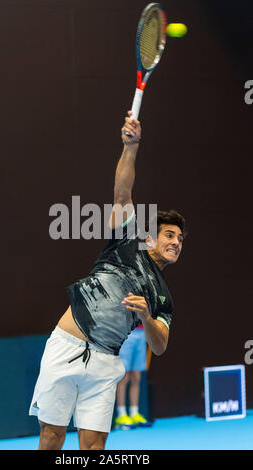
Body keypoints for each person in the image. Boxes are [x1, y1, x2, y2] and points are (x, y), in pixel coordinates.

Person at [29, 111, 186, 450]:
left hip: (105, 360)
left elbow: (159, 346)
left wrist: (146, 316)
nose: (176, 242)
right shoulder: (126, 243)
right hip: (67, 346)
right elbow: (121, 194)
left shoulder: (163, 298)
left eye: (180, 240)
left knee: (94, 445)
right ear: (149, 238)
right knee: (52, 437)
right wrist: (131, 147)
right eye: (169, 235)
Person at [115, 324, 153, 430]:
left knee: (137, 376)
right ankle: (121, 415)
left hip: (142, 333)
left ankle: (134, 413)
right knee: (124, 376)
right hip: (125, 331)